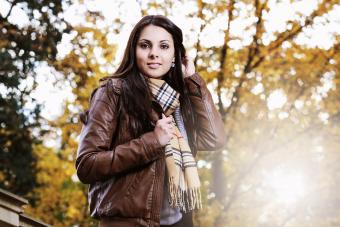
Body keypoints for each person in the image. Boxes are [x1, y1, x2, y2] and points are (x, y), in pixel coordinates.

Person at [75, 15, 226, 227]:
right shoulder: (113, 92)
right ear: (133, 51)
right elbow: (87, 165)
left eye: (164, 46)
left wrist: (193, 79)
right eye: (145, 45)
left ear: (176, 55)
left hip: (179, 221)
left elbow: (214, 139)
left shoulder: (180, 100)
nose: (154, 53)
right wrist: (152, 142)